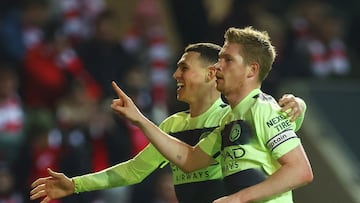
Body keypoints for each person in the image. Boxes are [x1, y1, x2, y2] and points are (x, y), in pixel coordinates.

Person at [30, 42, 306, 203]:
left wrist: (298, 106)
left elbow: (282, 124)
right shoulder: (172, 125)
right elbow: (134, 170)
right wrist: (75, 185)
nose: (175, 75)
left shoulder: (233, 115)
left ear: (212, 73)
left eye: (184, 67)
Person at [107, 26, 313, 203]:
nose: (217, 65)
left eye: (228, 60)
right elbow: (189, 160)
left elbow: (300, 170)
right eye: (220, 58)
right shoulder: (229, 120)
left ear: (251, 70)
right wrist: (140, 120)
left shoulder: (262, 107)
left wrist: (238, 198)